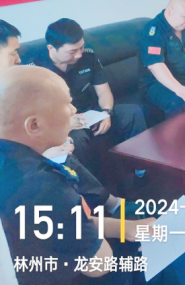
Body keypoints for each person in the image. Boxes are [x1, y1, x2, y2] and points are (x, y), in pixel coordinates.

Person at [0, 66, 160, 284]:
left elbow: (68, 222)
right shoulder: (42, 184)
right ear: (34, 125)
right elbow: (99, 264)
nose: (73, 110)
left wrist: (126, 227)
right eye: (66, 104)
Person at [1, 20, 132, 216]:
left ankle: (109, 206)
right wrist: (43, 157)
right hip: (17, 179)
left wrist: (53, 144)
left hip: (29, 155)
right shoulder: (29, 74)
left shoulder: (10, 84)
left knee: (65, 151)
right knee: (64, 153)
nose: (19, 59)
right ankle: (102, 212)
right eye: (13, 53)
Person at [23, 19, 147, 180]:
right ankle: (92, 183)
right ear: (51, 48)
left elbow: (104, 92)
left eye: (81, 47)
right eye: (72, 51)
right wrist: (65, 122)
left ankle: (141, 166)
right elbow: (34, 113)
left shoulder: (88, 57)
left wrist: (106, 112)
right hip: (62, 121)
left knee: (132, 112)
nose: (79, 54)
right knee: (77, 140)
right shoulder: (34, 71)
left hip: (91, 111)